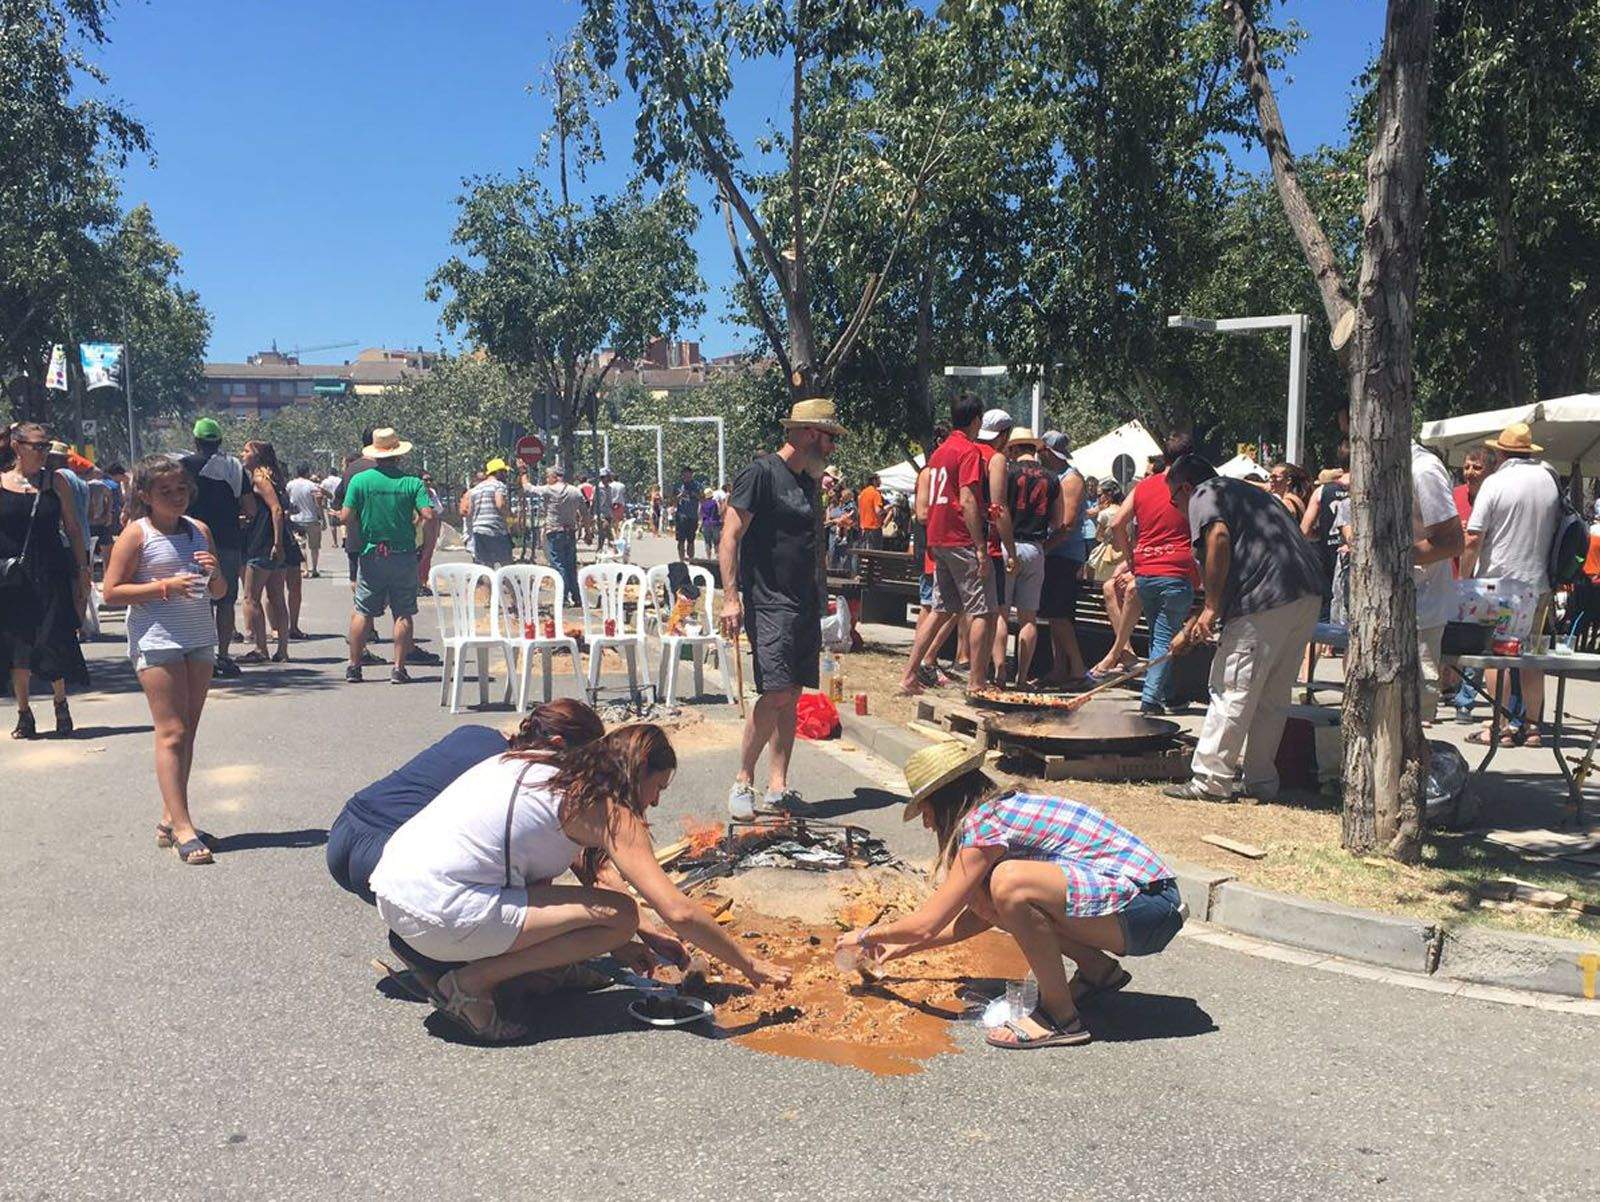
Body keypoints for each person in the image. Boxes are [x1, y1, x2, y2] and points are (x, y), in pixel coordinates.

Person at [371, 724, 791, 1041]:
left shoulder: (542, 768)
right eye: (657, 787)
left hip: (396, 897)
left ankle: (515, 969)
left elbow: (589, 878)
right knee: (621, 914)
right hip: (440, 914)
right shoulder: (609, 812)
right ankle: (470, 985)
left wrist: (631, 940)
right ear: (639, 771)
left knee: (618, 918)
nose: (657, 801)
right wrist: (748, 964)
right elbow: (676, 909)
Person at [837, 741, 1183, 1050]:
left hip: (1148, 908)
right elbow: (980, 915)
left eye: (926, 812)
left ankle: (1061, 1018)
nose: (927, 824)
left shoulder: (983, 824)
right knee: (993, 896)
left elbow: (930, 921)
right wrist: (896, 950)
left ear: (944, 800)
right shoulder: (998, 811)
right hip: (1144, 910)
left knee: (1009, 883)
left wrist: (866, 935)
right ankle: (1098, 972)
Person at [1162, 454, 1327, 802]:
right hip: (1306, 595)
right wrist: (1201, 617)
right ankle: (1261, 782)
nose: (1175, 506)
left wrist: (1209, 608)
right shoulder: (1254, 495)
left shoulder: (1207, 493)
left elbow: (1218, 539)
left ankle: (1210, 780)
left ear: (1187, 487)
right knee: (1271, 697)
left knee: (1231, 688)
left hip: (1265, 599)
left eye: (1173, 497)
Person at [328, 700, 604, 904]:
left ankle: (422, 948)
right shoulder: (524, 778)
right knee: (524, 869)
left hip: (344, 833)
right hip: (382, 854)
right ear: (558, 744)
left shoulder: (474, 733)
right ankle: (444, 961)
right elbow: (574, 855)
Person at [100, 455, 227, 865]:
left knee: (188, 731)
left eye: (181, 489)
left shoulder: (199, 531)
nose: (176, 497)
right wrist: (163, 587)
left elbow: (220, 592)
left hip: (198, 638)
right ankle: (185, 827)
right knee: (171, 731)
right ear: (146, 496)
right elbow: (111, 592)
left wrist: (215, 571)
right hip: (157, 640)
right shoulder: (137, 534)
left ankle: (170, 817)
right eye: (166, 492)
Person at [720, 398, 840, 819]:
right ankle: (742, 781)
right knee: (775, 692)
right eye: (829, 438)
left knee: (793, 694)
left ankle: (778, 786)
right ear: (808, 433)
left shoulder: (806, 481)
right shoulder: (761, 474)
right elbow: (730, 536)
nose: (832, 447)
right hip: (769, 601)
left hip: (803, 602)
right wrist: (731, 597)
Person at [1462, 422, 1561, 747]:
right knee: (1532, 657)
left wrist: (1464, 578)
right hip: (1539, 583)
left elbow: (1474, 537)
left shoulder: (1496, 483)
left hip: (1498, 584)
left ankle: (1500, 725)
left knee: (1498, 656)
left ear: (1501, 453)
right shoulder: (1549, 480)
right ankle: (1533, 727)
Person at [900, 396, 998, 697]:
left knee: (940, 609)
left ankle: (909, 675)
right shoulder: (968, 451)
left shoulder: (939, 453)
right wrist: (981, 547)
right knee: (983, 610)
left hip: (938, 538)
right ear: (976, 420)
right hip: (960, 538)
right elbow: (967, 499)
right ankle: (977, 682)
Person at [1, 422, 91, 738]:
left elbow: (74, 529)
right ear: (16, 445)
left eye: (45, 446)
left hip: (51, 573)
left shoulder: (56, 483)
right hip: (12, 579)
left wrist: (84, 570)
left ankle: (60, 704)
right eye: (36, 446)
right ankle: (24, 714)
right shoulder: (1, 483)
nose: (42, 452)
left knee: (54, 637)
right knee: (18, 645)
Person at [1100, 441, 1198, 714]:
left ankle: (1169, 695)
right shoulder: (1189, 487)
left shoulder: (1143, 486)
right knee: (1165, 638)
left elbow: (1117, 522)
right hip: (1176, 571)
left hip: (1145, 571)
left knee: (1159, 635)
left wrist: (1131, 557)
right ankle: (1150, 700)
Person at [339, 428, 436, 685]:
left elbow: (346, 517)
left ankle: (354, 666)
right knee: (403, 613)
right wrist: (423, 544)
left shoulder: (360, 481)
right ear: (398, 455)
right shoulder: (412, 483)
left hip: (372, 553)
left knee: (363, 610)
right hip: (403, 554)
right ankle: (398, 668)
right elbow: (428, 514)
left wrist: (362, 522)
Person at [179, 418, 249, 679]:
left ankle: (202, 655)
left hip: (192, 541)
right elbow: (249, 506)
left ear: (195, 441)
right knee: (226, 600)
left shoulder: (183, 467)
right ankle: (223, 654)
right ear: (219, 441)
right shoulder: (235, 467)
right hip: (229, 541)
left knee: (199, 597)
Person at [991, 428, 1058, 688]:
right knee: (1029, 618)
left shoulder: (1007, 473)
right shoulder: (1051, 479)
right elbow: (1058, 519)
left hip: (1007, 545)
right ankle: (1021, 677)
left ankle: (999, 673)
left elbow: (998, 509)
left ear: (1014, 448)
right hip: (1035, 546)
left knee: (1001, 613)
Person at [1411, 441, 1465, 724]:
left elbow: (1453, 542)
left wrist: (1392, 556)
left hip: (1422, 605)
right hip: (1393, 605)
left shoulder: (1423, 469)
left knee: (1417, 705)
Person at [1037, 431, 1089, 684]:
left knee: (1059, 614)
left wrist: (1044, 549)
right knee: (1055, 614)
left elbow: (1067, 526)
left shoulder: (1071, 480)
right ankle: (1060, 668)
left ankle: (1078, 669)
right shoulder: (1054, 477)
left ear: (1047, 451)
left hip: (1064, 555)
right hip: (1054, 554)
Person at [1447, 448, 1494, 720]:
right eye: (1466, 467)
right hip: (1453, 580)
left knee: (1478, 644)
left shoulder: (1495, 497)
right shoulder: (1455, 497)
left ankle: (1465, 700)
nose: (1469, 472)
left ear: (1489, 471)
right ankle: (1448, 687)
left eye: (1476, 467)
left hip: (1483, 584)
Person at [238, 440, 294, 665]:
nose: (242, 454)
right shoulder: (274, 477)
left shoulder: (260, 479)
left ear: (257, 456)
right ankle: (282, 649)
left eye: (247, 451)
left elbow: (277, 510)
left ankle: (261, 648)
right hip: (275, 542)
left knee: (251, 597)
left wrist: (277, 543)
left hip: (263, 542)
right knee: (277, 596)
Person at [519, 465, 590, 603]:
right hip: (570, 532)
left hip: (554, 532)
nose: (546, 479)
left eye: (548, 476)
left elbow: (528, 488)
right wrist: (587, 531)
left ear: (555, 477)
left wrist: (523, 472)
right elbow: (585, 513)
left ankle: (562, 597)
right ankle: (576, 596)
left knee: (558, 564)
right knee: (570, 565)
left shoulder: (549, 490)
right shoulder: (575, 491)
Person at [462, 457, 514, 569]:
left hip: (479, 532)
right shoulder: (498, 485)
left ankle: (487, 586)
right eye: (504, 472)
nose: (506, 475)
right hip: (496, 531)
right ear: (498, 472)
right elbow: (500, 504)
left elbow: (469, 512)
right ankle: (508, 586)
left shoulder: (476, 489)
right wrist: (510, 517)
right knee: (507, 566)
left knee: (485, 567)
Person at [287, 462, 324, 579]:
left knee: (301, 546)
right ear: (307, 472)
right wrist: (322, 518)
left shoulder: (290, 485)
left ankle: (304, 569)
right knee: (314, 547)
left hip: (296, 519)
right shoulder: (312, 485)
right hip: (311, 519)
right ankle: (314, 569)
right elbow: (318, 503)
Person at [673, 467, 700, 561]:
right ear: (682, 475)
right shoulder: (678, 485)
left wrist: (694, 494)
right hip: (681, 516)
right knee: (681, 540)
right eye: (685, 475)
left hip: (692, 516)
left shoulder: (696, 485)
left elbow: (702, 498)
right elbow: (672, 501)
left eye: (689, 475)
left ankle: (691, 559)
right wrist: (679, 496)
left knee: (691, 540)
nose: (687, 477)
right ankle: (681, 560)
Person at [857, 474, 885, 552]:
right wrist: (887, 509)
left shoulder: (862, 493)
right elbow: (878, 511)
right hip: (874, 527)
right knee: (876, 554)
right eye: (879, 480)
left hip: (863, 528)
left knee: (865, 553)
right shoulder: (875, 493)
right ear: (874, 481)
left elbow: (859, 511)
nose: (881, 482)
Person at [320, 467, 343, 547]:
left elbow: (320, 490)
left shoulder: (325, 481)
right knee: (342, 523)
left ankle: (335, 542)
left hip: (331, 505)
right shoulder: (340, 480)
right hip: (341, 503)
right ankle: (344, 539)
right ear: (336, 473)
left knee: (332, 525)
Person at [698, 487, 722, 559]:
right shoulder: (715, 502)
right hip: (715, 523)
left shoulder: (702, 504)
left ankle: (709, 557)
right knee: (717, 541)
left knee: (707, 542)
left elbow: (700, 513)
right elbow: (720, 511)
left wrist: (700, 525)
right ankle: (717, 557)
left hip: (706, 524)